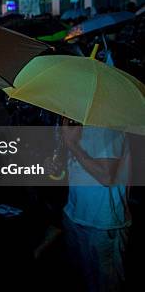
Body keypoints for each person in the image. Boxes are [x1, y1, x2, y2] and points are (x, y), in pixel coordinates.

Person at [62, 120, 131, 291]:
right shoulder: (77, 125)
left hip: (103, 223)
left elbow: (106, 176)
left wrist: (71, 144)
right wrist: (56, 166)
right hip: (76, 215)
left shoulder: (108, 128)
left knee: (105, 285)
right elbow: (78, 168)